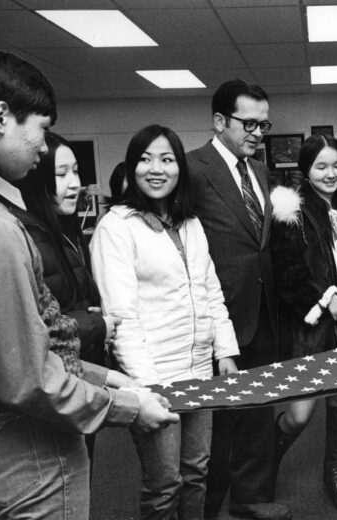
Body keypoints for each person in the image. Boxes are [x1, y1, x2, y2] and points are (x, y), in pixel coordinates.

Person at [0, 46, 177, 520]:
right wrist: (124, 406)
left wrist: (105, 378)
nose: (44, 148)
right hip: (28, 455)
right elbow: (26, 375)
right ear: (2, 116)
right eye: (41, 130)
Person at [91, 125, 240, 519]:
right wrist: (146, 388)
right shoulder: (117, 227)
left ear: (180, 169)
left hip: (200, 369)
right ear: (131, 166)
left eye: (167, 159)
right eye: (145, 159)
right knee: (164, 485)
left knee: (196, 473)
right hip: (155, 377)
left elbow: (211, 290)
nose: (156, 169)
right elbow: (122, 317)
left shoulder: (190, 222)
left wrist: (225, 350)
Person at [186, 79, 290, 520]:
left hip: (265, 315)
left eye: (263, 125)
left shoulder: (261, 172)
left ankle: (251, 500)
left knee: (259, 415)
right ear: (219, 121)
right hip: (219, 319)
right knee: (218, 424)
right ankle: (207, 509)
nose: (258, 133)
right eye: (249, 123)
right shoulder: (192, 168)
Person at [269, 134, 337, 513]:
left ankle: (333, 475)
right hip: (315, 322)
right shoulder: (291, 209)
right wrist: (326, 297)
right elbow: (288, 271)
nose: (331, 174)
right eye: (321, 166)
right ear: (306, 169)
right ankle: (262, 466)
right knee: (300, 413)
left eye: (336, 165)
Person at [14, 131, 121, 464]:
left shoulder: (63, 230)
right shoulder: (26, 238)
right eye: (61, 175)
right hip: (55, 389)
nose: (74, 183)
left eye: (76, 172)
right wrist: (97, 324)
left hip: (80, 375)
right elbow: (35, 328)